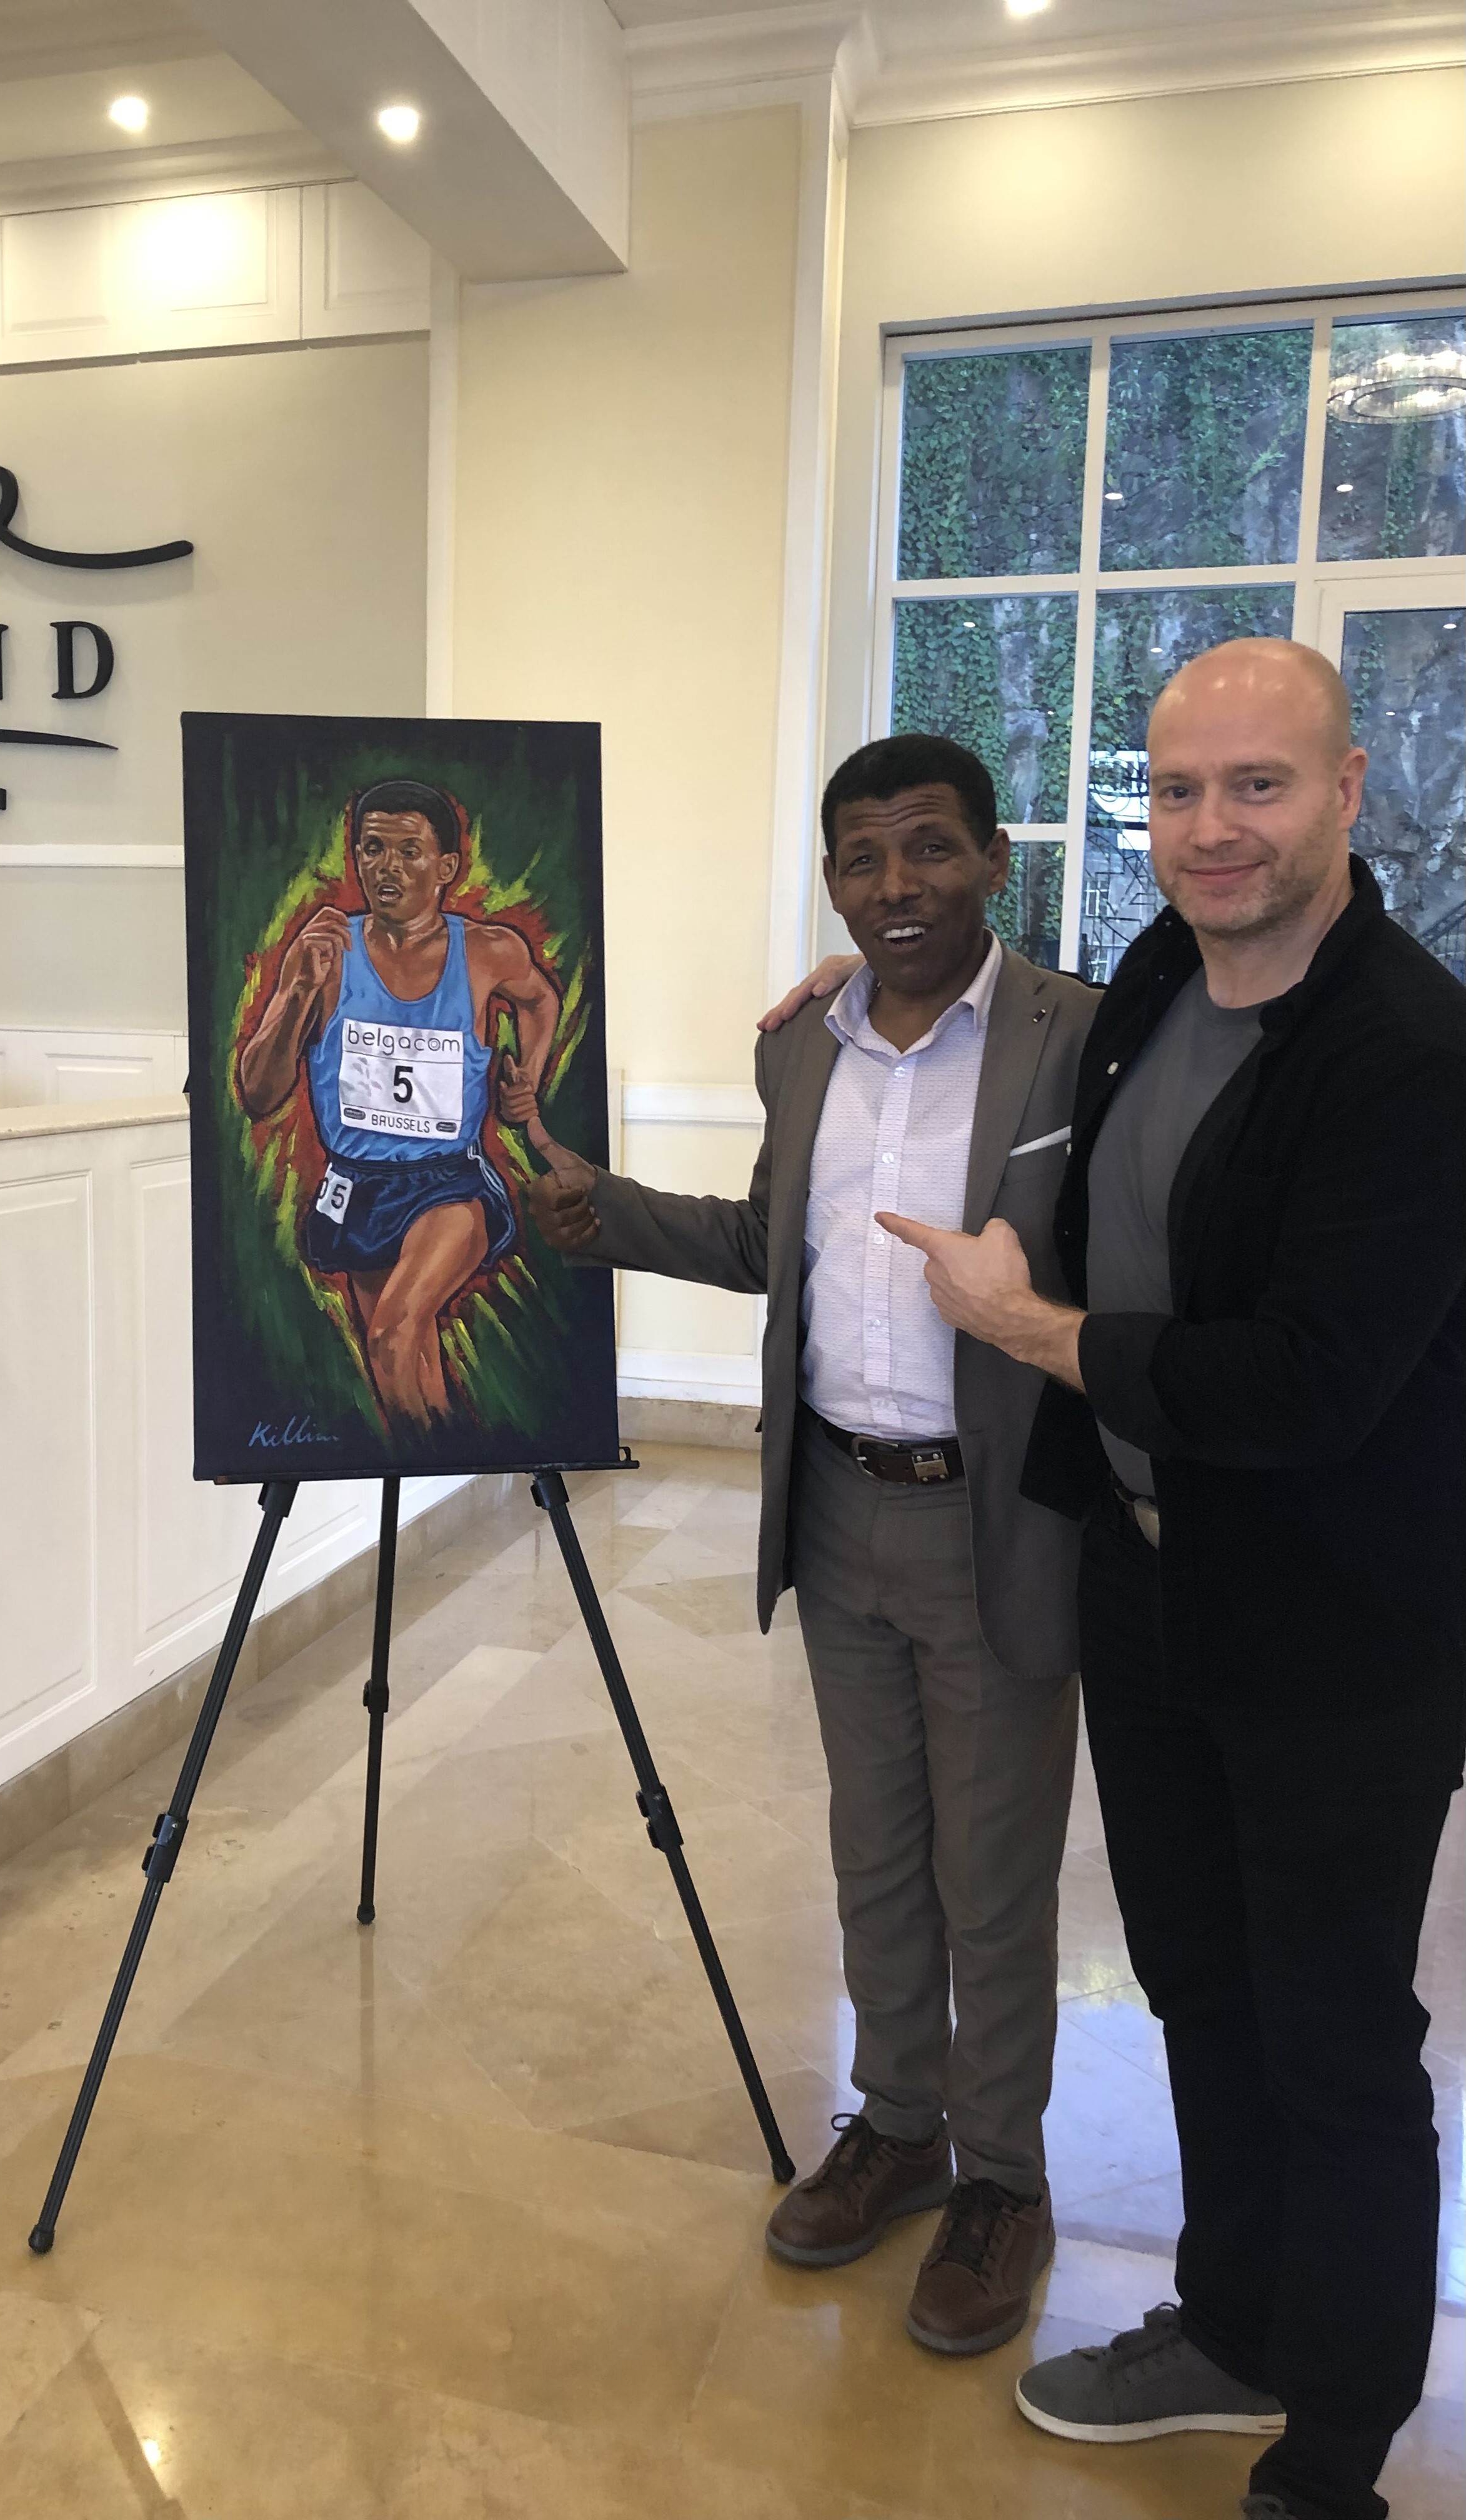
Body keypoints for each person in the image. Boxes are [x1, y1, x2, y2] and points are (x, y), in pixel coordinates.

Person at [864, 642, 1465, 2520]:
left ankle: (1333, 2452)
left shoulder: (1410, 1055)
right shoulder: (1148, 979)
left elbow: (1300, 1384)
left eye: (1255, 787)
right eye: (1177, 789)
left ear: (1343, 794)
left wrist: (1027, 1332)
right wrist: (849, 997)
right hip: (1146, 1588)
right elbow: (1017, 1042)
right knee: (1196, 1986)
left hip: (1337, 1635)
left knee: (1332, 2041)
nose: (1210, 829)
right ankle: (1230, 2326)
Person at [526, 733, 1099, 2356]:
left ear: (991, 860)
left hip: (993, 1521)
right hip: (836, 1506)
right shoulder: (803, 1049)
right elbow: (762, 1240)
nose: (895, 884)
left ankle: (1002, 2180)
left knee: (991, 1877)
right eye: (861, 858)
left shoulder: (1076, 1037)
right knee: (875, 1852)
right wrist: (601, 1210)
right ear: (831, 882)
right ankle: (899, 2127)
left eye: (928, 847)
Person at [236, 777, 559, 1426]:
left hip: (449, 1183)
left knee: (393, 1334)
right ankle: (442, 1450)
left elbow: (540, 999)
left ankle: (436, 1452)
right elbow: (257, 1095)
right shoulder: (325, 953)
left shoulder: (488, 951)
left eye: (409, 852)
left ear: (446, 867)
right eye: (372, 848)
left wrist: (528, 1077)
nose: (387, 867)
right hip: (358, 1186)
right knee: (404, 1369)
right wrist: (298, 994)